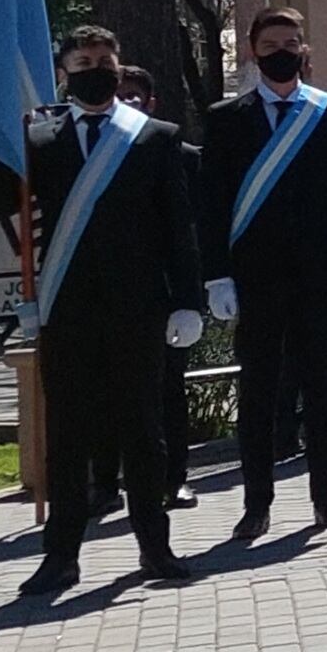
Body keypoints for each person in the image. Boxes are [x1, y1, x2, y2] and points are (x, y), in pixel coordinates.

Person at [0, 26, 203, 597]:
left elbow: (176, 226)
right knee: (68, 437)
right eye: (84, 61)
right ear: (64, 71)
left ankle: (154, 547)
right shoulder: (36, 138)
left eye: (106, 59)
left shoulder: (154, 137)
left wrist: (188, 299)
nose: (96, 69)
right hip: (66, 306)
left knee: (144, 434)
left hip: (137, 308)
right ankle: (60, 557)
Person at [198, 7, 327, 541]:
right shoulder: (226, 118)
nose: (282, 52)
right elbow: (212, 204)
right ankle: (256, 505)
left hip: (319, 275)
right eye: (271, 43)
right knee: (258, 392)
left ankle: (326, 496)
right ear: (252, 51)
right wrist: (217, 276)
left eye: (291, 42)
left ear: (305, 50)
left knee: (321, 389)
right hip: (255, 278)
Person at [116, 64, 204, 509]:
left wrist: (194, 294)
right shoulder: (91, 152)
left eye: (136, 96)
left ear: (151, 103)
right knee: (107, 391)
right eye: (120, 94)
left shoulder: (183, 155)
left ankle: (176, 478)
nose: (127, 101)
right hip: (107, 292)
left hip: (164, 293)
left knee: (168, 389)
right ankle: (105, 482)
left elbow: (192, 229)